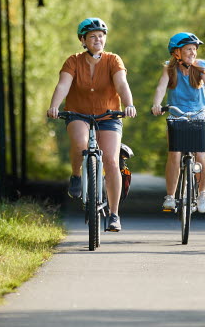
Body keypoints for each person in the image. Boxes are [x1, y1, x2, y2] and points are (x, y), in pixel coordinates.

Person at [46, 17, 137, 232]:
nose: (98, 40)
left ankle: (114, 214)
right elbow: (63, 85)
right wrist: (54, 106)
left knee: (112, 162)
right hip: (78, 113)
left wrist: (129, 104)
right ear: (83, 40)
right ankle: (76, 175)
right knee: (80, 143)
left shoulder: (113, 60)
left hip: (109, 116)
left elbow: (122, 84)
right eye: (92, 37)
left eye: (101, 36)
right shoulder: (73, 61)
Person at [151, 32, 205, 213]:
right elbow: (161, 86)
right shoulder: (169, 69)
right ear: (176, 53)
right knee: (175, 155)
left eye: (194, 49)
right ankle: (170, 197)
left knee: (201, 155)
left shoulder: (201, 66)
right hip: (177, 115)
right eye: (188, 49)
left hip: (199, 115)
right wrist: (157, 104)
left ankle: (202, 193)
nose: (193, 52)